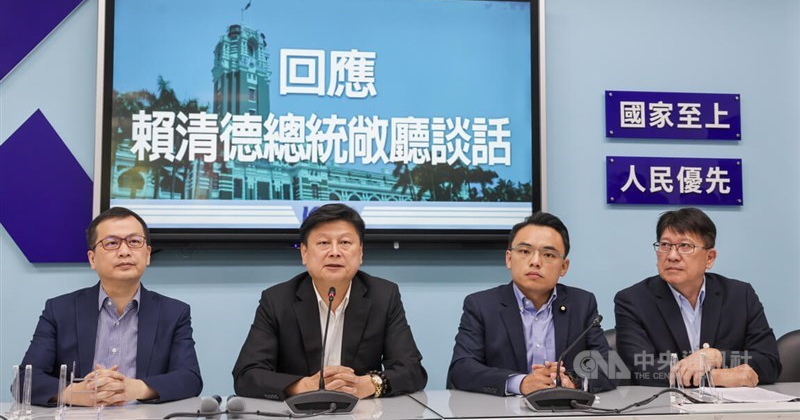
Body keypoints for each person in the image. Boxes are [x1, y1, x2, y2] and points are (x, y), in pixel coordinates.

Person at [232, 203, 427, 400]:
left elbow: (412, 370)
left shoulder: (384, 296)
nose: (334, 252)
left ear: (360, 253)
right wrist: (304, 385)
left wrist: (367, 384)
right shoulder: (277, 300)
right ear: (304, 253)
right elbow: (246, 375)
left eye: (345, 243)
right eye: (324, 243)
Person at [19, 207, 203, 406]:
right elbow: (24, 381)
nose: (124, 252)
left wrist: (136, 389)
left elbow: (190, 378)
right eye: (112, 243)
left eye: (134, 242)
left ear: (147, 254)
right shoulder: (59, 310)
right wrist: (73, 393)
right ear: (92, 259)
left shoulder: (174, 313)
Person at [447, 212, 615, 396]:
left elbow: (609, 367)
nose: (535, 262)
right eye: (525, 251)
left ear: (564, 267)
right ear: (509, 259)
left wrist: (572, 381)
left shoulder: (582, 303)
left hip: (565, 411)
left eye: (548, 254)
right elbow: (462, 369)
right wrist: (520, 383)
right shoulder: (481, 306)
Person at [614, 207, 781, 387]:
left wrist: (717, 357)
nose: (672, 256)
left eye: (685, 246)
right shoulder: (633, 300)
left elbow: (769, 363)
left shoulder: (740, 295)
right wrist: (717, 377)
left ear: (710, 258)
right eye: (665, 245)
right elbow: (643, 370)